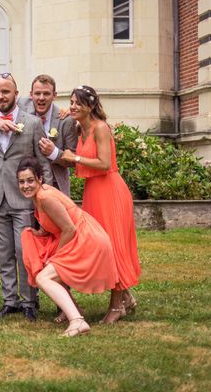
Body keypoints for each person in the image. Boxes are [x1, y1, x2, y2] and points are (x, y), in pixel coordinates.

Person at [0, 73, 53, 322]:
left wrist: (45, 196)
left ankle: (30, 300)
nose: (1, 97)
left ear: (16, 94)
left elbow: (43, 164)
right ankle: (10, 300)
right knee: (3, 252)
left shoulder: (31, 123)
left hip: (24, 199)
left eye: (5, 92)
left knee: (24, 251)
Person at [61, 85, 142, 324]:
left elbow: (105, 163)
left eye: (77, 103)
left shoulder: (100, 128)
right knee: (99, 244)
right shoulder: (79, 128)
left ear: (91, 106)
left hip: (110, 191)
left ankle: (117, 306)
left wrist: (73, 157)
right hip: (93, 191)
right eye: (71, 102)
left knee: (114, 245)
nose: (73, 106)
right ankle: (126, 295)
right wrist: (66, 113)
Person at [17, 158, 118, 337]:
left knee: (44, 277)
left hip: (86, 240)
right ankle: (71, 309)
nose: (25, 185)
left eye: (30, 180)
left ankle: (77, 321)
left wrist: (56, 257)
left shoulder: (44, 197)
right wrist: (40, 232)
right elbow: (54, 222)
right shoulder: (38, 196)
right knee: (37, 253)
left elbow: (69, 229)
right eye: (21, 181)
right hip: (78, 236)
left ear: (40, 179)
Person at [0, 74, 78, 196]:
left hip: (55, 184)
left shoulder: (65, 119)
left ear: (54, 96)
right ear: (31, 95)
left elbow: (74, 160)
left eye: (46, 94)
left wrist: (54, 152)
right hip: (23, 186)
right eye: (37, 93)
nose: (41, 98)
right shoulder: (21, 104)